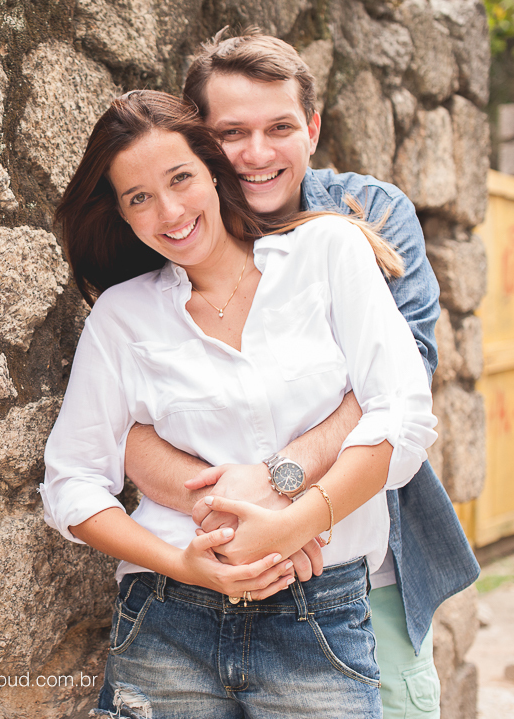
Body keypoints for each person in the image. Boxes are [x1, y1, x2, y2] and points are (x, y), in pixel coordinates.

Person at [40, 89, 437, 718]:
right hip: (168, 621)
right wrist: (186, 565)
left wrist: (294, 522)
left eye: (180, 179)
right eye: (139, 198)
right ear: (120, 214)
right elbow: (71, 483)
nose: (169, 212)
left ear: (212, 169)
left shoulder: (327, 252)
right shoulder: (122, 315)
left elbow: (402, 415)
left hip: (319, 616)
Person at [121, 30, 479, 718]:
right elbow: (120, 421)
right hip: (207, 586)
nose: (257, 154)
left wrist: (282, 488)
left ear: (311, 128)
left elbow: (403, 385)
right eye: (231, 132)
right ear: (199, 142)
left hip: (361, 577)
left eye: (279, 127)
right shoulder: (169, 232)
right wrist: (237, 520)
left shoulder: (370, 215)